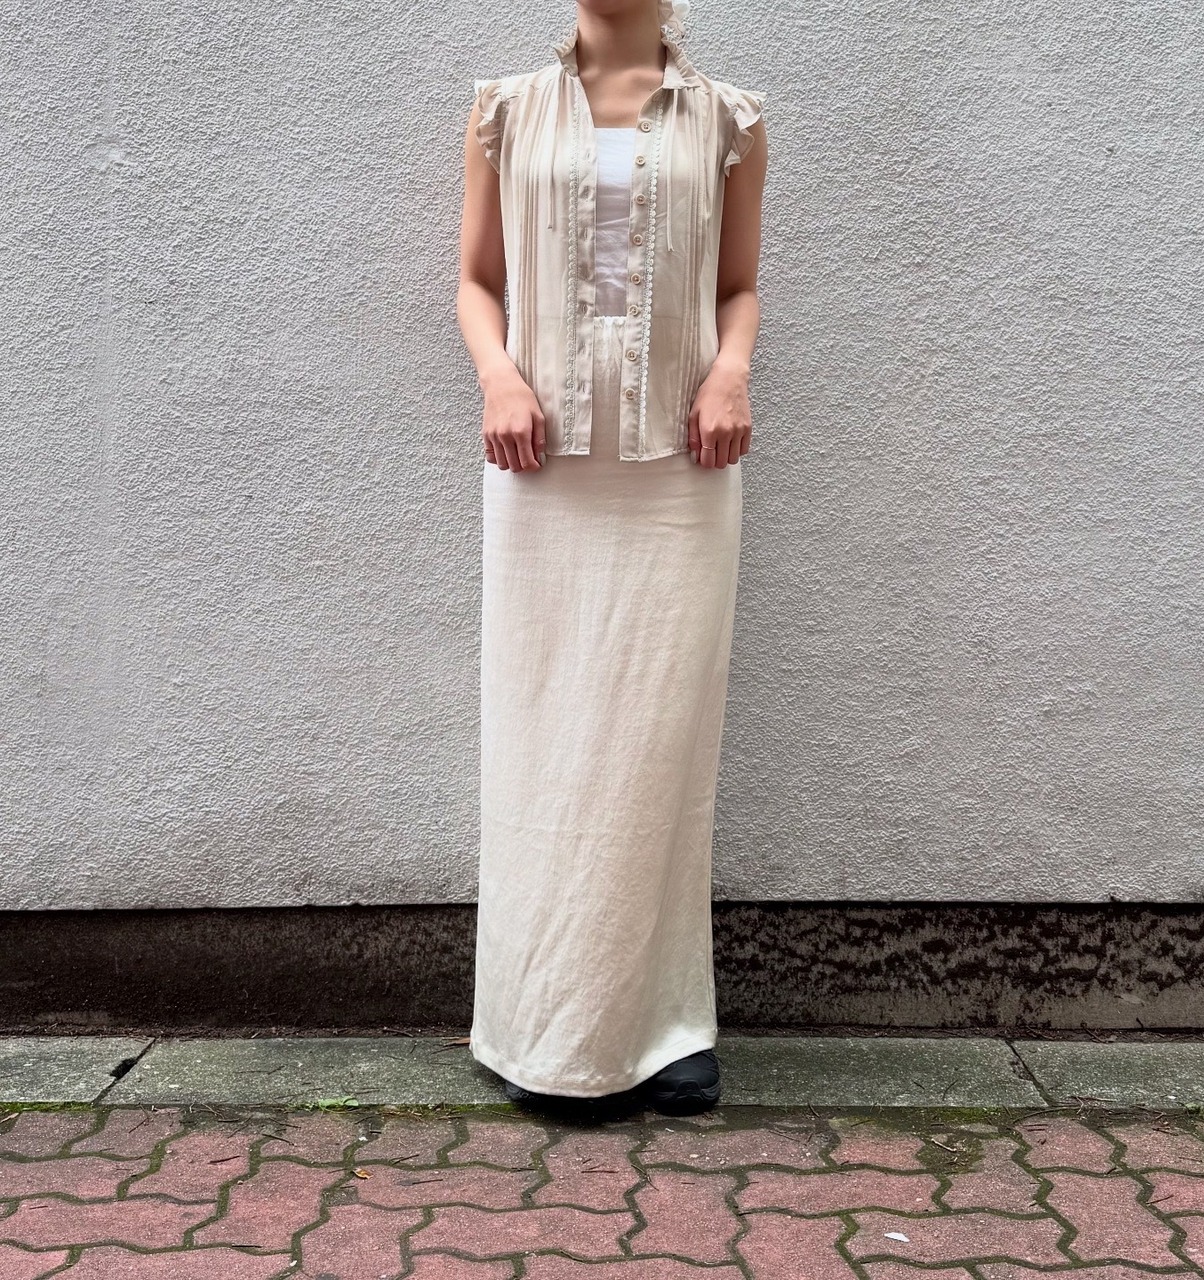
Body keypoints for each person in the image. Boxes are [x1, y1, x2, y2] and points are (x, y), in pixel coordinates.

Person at [456, 0, 767, 1116]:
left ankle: (666, 1027)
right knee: (541, 734)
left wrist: (731, 370)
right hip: (541, 466)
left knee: (659, 741)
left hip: (681, 466)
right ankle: (538, 1022)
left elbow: (737, 285)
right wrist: (498, 376)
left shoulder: (729, 120)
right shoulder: (504, 112)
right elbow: (475, 279)